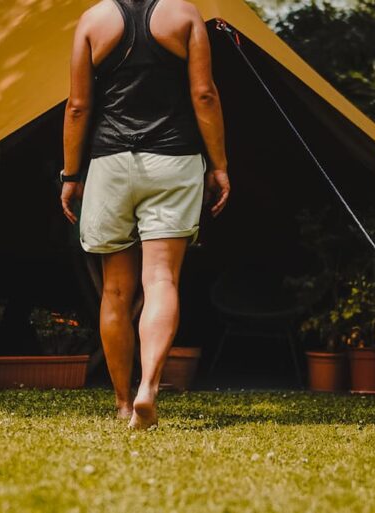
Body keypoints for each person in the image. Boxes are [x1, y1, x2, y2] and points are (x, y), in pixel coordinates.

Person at [61, 0, 229, 429]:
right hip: (174, 160)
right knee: (160, 280)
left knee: (116, 291)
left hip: (111, 164)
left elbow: (78, 105)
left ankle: (121, 403)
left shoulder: (94, 20)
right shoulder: (185, 15)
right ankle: (148, 388)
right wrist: (219, 165)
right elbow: (204, 93)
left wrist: (71, 174)